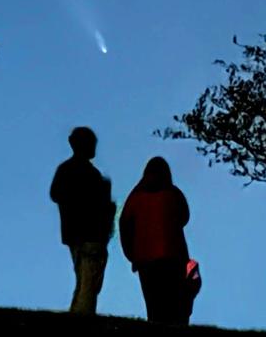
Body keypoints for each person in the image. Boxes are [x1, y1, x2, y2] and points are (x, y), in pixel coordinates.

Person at [49, 127, 116, 315]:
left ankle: (81, 314)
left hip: (78, 233)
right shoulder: (86, 173)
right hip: (89, 233)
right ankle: (82, 316)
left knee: (86, 277)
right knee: (88, 279)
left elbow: (56, 194)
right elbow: (58, 195)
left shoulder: (72, 170)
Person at [119, 156, 191, 324]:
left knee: (154, 306)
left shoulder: (135, 197)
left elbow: (125, 224)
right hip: (172, 256)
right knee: (175, 303)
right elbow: (184, 216)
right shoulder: (173, 193)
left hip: (145, 259)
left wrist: (132, 254)